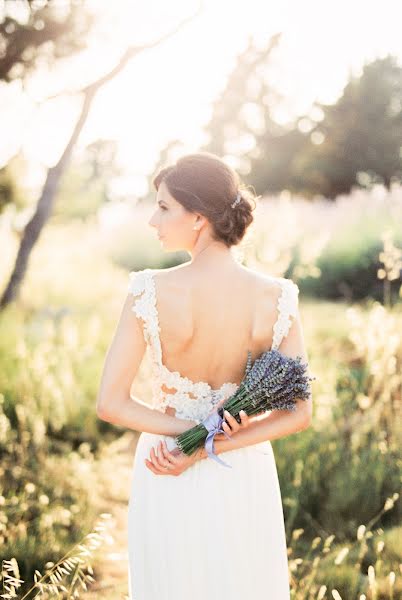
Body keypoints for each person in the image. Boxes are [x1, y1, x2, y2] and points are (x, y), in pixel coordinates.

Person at [96, 152, 313, 600]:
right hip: (242, 463)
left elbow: (110, 404)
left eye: (163, 207)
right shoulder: (277, 297)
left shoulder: (148, 291)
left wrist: (194, 438)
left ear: (197, 217)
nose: (152, 220)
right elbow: (298, 414)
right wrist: (217, 439)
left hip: (164, 460)